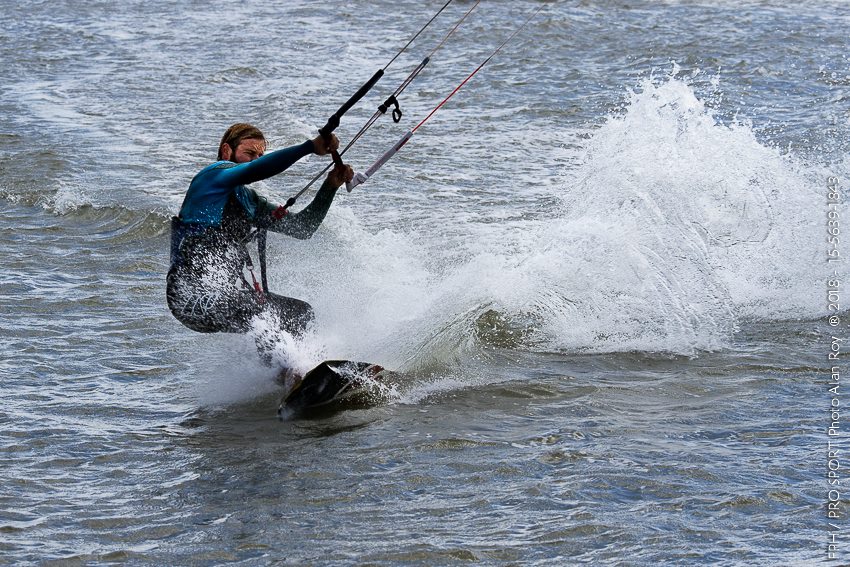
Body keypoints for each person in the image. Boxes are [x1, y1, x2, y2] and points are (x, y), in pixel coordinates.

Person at [167, 123, 353, 362]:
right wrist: (309, 147)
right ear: (227, 151)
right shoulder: (211, 177)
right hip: (190, 296)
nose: (255, 160)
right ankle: (290, 370)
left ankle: (305, 371)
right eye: (249, 153)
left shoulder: (249, 201)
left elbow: (303, 228)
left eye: (259, 155)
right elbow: (256, 171)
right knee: (259, 311)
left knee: (300, 313)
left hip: (226, 298)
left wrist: (330, 187)